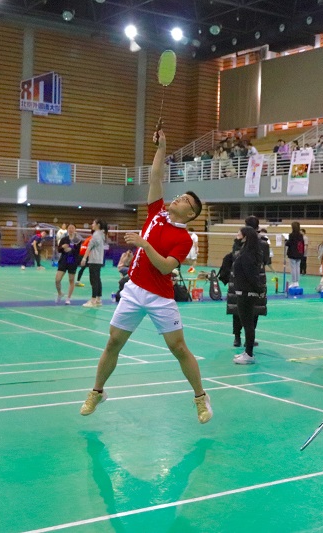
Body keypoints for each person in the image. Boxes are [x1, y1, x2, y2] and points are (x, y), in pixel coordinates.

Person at [79, 129, 212, 424]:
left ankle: (201, 397)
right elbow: (155, 177)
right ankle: (97, 391)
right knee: (113, 342)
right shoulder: (156, 213)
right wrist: (162, 147)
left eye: (184, 200)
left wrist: (144, 244)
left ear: (190, 214)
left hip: (160, 296)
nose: (177, 199)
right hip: (134, 289)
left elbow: (165, 267)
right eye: (179, 196)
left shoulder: (185, 239)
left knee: (178, 348)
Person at [231, 226, 267, 364]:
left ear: (245, 237)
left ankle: (249, 354)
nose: (237, 235)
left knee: (248, 325)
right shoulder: (246, 253)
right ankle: (247, 352)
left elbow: (251, 276)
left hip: (247, 294)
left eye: (239, 233)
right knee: (247, 324)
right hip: (244, 292)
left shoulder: (247, 256)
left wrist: (259, 289)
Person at [55, 224, 82, 305]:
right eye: (69, 228)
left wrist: (71, 249)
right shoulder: (64, 239)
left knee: (71, 280)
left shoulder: (77, 240)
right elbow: (59, 250)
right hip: (63, 260)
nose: (71, 229)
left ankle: (68, 298)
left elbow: (78, 251)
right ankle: (60, 293)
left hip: (72, 261)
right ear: (67, 229)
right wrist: (62, 247)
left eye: (72, 228)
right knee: (57, 280)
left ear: (75, 229)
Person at [82, 220, 107, 308]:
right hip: (99, 260)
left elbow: (89, 247)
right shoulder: (102, 235)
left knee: (94, 281)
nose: (92, 225)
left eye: (93, 223)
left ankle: (93, 301)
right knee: (98, 280)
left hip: (94, 260)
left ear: (98, 225)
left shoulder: (96, 235)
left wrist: (84, 258)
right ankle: (98, 300)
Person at [285, 221, 305, 289]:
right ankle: (297, 282)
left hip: (293, 253)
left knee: (293, 268)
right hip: (299, 253)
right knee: (298, 267)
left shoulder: (291, 235)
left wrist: (286, 241)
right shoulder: (301, 235)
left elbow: (289, 243)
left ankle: (294, 282)